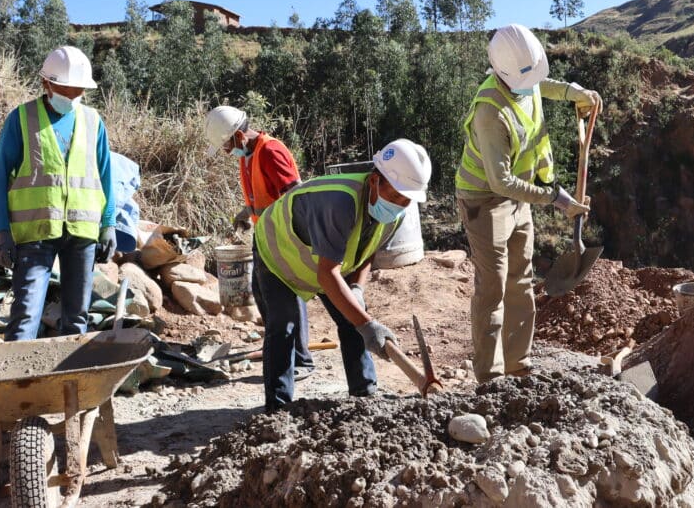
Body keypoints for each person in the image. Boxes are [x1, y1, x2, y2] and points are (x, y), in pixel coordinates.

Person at [455, 23, 601, 383]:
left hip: (521, 195)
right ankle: (489, 378)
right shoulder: (490, 113)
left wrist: (573, 92)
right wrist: (555, 198)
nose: (533, 82)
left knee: (520, 281)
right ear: (503, 72)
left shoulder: (524, 78)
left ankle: (517, 365)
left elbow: (540, 86)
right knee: (493, 286)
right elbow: (500, 181)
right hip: (485, 200)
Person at [253, 138, 431, 412]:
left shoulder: (395, 214)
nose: (400, 204)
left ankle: (365, 397)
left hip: (325, 259)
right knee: (284, 325)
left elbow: (367, 250)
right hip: (280, 251)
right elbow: (327, 275)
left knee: (354, 316)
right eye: (395, 195)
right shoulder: (339, 201)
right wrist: (368, 324)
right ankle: (277, 410)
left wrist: (357, 290)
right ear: (374, 181)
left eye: (407, 199)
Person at [0, 46, 116, 341]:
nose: (71, 98)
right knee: (25, 315)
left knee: (77, 318)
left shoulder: (93, 121)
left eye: (78, 92)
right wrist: (2, 232)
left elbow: (106, 175)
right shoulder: (21, 119)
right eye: (65, 90)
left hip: (82, 231)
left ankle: (69, 381)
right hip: (35, 233)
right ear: (47, 83)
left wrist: (108, 224)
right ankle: (16, 380)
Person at [204, 105, 314, 380]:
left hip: (283, 236)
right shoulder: (249, 154)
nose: (228, 152)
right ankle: (281, 351)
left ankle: (300, 360)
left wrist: (292, 238)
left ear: (239, 137)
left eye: (227, 146)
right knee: (263, 293)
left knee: (285, 296)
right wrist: (248, 212)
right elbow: (262, 194)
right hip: (265, 233)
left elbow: (294, 195)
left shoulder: (270, 151)